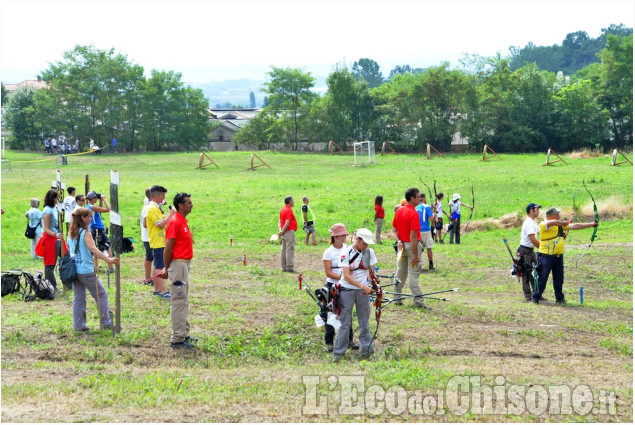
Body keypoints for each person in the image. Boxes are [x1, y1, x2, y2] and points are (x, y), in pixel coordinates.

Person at [531, 207, 599, 304]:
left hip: (558, 256)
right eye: (557, 215)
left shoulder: (559, 225)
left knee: (559, 278)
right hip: (546, 256)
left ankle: (559, 298)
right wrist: (564, 223)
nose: (559, 216)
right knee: (542, 277)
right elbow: (552, 223)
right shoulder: (544, 224)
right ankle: (535, 298)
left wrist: (592, 224)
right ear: (550, 216)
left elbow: (575, 226)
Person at [67, 208, 119, 331]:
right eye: (89, 217)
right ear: (83, 218)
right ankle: (106, 323)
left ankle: (79, 326)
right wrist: (109, 260)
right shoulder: (86, 233)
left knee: (79, 298)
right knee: (101, 294)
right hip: (86, 270)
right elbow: (93, 249)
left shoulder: (71, 232)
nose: (91, 219)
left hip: (74, 270)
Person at [333, 228, 376, 361]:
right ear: (357, 239)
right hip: (346, 290)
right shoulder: (346, 253)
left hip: (363, 292)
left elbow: (372, 272)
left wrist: (375, 286)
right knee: (345, 323)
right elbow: (346, 276)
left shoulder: (370, 252)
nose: (366, 246)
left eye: (368, 244)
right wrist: (363, 286)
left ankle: (367, 351)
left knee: (364, 321)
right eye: (364, 243)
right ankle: (339, 353)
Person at [161, 192, 196, 349]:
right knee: (179, 301)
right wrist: (166, 267)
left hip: (184, 265)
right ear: (180, 205)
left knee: (184, 300)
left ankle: (183, 333)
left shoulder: (182, 221)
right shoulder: (175, 222)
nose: (192, 204)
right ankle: (177, 339)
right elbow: (168, 248)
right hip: (178, 265)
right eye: (188, 202)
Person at [322, 223, 357, 353]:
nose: (344, 237)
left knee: (347, 312)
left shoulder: (348, 249)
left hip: (346, 284)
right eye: (342, 235)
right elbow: (328, 273)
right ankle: (329, 342)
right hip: (333, 286)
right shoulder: (328, 252)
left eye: (345, 235)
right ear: (335, 236)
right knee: (331, 313)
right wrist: (343, 277)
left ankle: (349, 339)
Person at [390, 188, 427, 308]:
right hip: (411, 246)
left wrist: (398, 241)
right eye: (417, 197)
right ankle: (419, 302)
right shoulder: (414, 213)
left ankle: (396, 298)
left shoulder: (399, 211)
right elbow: (413, 236)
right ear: (412, 198)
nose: (419, 199)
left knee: (400, 273)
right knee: (413, 275)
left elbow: (393, 231)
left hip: (401, 247)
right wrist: (416, 255)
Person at [145, 185, 176, 298]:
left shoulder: (156, 207)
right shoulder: (152, 209)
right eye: (162, 195)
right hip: (158, 242)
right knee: (160, 267)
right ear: (157, 196)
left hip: (160, 241)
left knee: (157, 265)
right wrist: (170, 214)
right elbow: (161, 224)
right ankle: (164, 291)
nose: (164, 198)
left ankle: (157, 289)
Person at [38, 189, 63, 291]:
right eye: (56, 198)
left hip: (57, 238)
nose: (58, 199)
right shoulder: (47, 210)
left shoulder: (54, 208)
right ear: (53, 199)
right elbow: (46, 228)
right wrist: (56, 234)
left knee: (67, 257)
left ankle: (69, 282)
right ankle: (51, 286)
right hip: (50, 239)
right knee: (50, 264)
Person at [518, 202, 541, 301]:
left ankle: (536, 293)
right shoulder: (528, 223)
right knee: (527, 272)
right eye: (537, 209)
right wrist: (543, 248)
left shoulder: (533, 222)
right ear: (531, 210)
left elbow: (541, 232)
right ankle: (528, 295)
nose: (539, 211)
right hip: (525, 250)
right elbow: (533, 239)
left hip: (530, 251)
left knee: (535, 272)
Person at [85, 191, 113, 260]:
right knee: (108, 246)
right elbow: (108, 209)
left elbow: (100, 209)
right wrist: (104, 199)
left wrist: (101, 200)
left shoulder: (88, 206)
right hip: (98, 228)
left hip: (92, 227)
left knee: (95, 246)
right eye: (96, 198)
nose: (97, 199)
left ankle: (95, 264)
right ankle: (110, 266)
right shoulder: (92, 207)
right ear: (93, 198)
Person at [415, 193, 435, 271]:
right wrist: (434, 216)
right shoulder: (426, 207)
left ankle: (419, 265)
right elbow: (431, 218)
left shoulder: (416, 207)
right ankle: (430, 264)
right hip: (426, 229)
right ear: (423, 199)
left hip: (417, 230)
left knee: (418, 248)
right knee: (429, 247)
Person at [277, 196, 297, 272]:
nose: (293, 202)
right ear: (289, 201)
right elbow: (287, 222)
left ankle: (284, 266)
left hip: (284, 232)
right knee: (290, 249)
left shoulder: (282, 210)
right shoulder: (288, 210)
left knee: (284, 249)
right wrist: (283, 231)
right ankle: (290, 267)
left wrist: (281, 231)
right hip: (288, 231)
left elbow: (279, 222)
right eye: (292, 201)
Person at [140, 187, 154, 286]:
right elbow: (145, 224)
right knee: (149, 258)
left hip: (152, 237)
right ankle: (148, 278)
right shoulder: (147, 207)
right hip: (148, 237)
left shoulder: (151, 205)